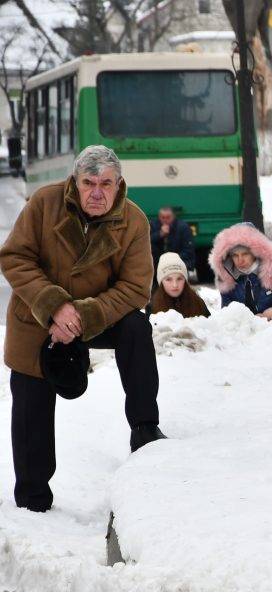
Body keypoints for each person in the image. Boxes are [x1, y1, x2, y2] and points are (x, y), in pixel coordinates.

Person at [0, 145, 166, 512]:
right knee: (29, 388)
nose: (96, 192)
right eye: (88, 182)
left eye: (105, 183)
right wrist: (54, 306)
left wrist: (82, 316)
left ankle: (145, 428)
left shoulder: (134, 221)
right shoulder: (44, 203)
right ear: (75, 182)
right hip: (39, 312)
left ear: (118, 184)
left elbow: (136, 287)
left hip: (98, 315)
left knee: (137, 328)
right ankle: (32, 496)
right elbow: (15, 257)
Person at [210, 223, 272, 320]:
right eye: (235, 255)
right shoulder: (227, 278)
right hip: (245, 335)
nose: (240, 260)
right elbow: (227, 316)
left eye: (245, 254)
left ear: (256, 252)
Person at [149, 252, 210, 318]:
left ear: (185, 280)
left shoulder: (198, 303)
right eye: (168, 280)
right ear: (161, 282)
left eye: (179, 279)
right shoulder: (152, 307)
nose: (175, 285)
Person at [149, 205, 196, 276]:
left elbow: (188, 249)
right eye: (162, 217)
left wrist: (171, 259)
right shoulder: (153, 225)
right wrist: (159, 235)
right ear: (159, 217)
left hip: (178, 260)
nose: (165, 220)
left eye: (168, 217)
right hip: (158, 262)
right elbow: (145, 243)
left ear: (173, 217)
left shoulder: (183, 227)